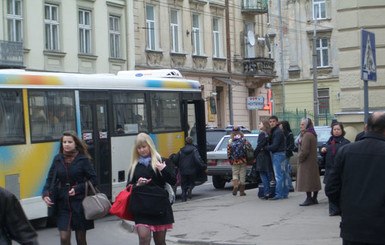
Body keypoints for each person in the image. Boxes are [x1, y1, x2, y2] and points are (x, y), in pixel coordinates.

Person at [325, 111, 385, 245]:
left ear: (366, 127)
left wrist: (344, 209)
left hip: (353, 226)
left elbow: (331, 187)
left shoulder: (346, 151)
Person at [42, 130, 97, 245]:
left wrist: (77, 189)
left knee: (81, 239)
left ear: (75, 143)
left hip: (80, 203)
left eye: (69, 142)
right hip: (62, 203)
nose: (66, 144)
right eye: (64, 142)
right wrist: (45, 194)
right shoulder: (58, 159)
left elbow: (94, 179)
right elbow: (50, 179)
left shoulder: (83, 160)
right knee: (64, 238)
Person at [127, 133, 176, 245]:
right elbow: (128, 187)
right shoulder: (135, 166)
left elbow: (173, 180)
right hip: (142, 207)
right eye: (139, 148)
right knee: (143, 238)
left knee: (160, 242)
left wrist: (163, 169)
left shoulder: (161, 161)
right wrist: (137, 184)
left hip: (159, 206)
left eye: (144, 147)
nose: (142, 150)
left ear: (150, 146)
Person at [321, 122, 350, 216]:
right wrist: (323, 151)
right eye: (335, 129)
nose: (336, 131)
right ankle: (333, 209)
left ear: (342, 131)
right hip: (330, 169)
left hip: (341, 170)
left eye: (338, 129)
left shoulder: (346, 143)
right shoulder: (329, 142)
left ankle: (341, 208)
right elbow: (324, 157)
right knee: (330, 189)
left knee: (341, 190)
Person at [296, 118, 321, 206]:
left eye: (302, 124)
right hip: (312, 161)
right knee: (313, 179)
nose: (300, 126)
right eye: (300, 124)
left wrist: (299, 158)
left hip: (307, 162)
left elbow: (305, 150)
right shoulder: (312, 134)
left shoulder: (307, 135)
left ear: (307, 125)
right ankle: (314, 198)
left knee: (307, 180)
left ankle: (309, 198)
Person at [173, 136, 207, 202]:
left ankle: (183, 198)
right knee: (192, 182)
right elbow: (198, 160)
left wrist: (179, 166)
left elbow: (175, 160)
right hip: (192, 170)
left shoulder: (181, 150)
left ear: (185, 142)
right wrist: (204, 166)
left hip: (183, 170)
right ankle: (190, 188)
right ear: (192, 142)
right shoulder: (194, 150)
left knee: (183, 185)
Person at [264, 115, 288, 200]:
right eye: (270, 122)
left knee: (279, 175)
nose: (272, 123)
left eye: (273, 121)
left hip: (278, 154)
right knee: (283, 174)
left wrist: (265, 148)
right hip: (281, 154)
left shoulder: (277, 132)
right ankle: (284, 193)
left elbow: (275, 146)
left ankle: (279, 194)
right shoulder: (276, 131)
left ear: (277, 122)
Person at [227, 126, 251, 196]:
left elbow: (228, 151)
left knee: (235, 174)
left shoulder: (230, 140)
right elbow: (248, 148)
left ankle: (235, 186)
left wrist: (230, 159)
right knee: (242, 175)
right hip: (243, 160)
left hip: (234, 160)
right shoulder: (243, 139)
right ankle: (242, 191)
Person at [254, 120, 273, 200]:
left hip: (261, 156)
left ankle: (266, 192)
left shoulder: (262, 134)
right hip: (267, 155)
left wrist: (254, 154)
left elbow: (259, 145)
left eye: (260, 123)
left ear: (264, 125)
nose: (259, 125)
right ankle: (268, 191)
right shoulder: (268, 134)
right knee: (267, 174)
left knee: (263, 174)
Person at [279, 120, 295, 192]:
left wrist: (286, 150)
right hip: (283, 153)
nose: (279, 126)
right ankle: (287, 184)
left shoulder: (289, 134)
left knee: (285, 169)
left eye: (280, 125)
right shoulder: (281, 133)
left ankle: (289, 185)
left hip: (286, 154)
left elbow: (291, 145)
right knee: (285, 169)